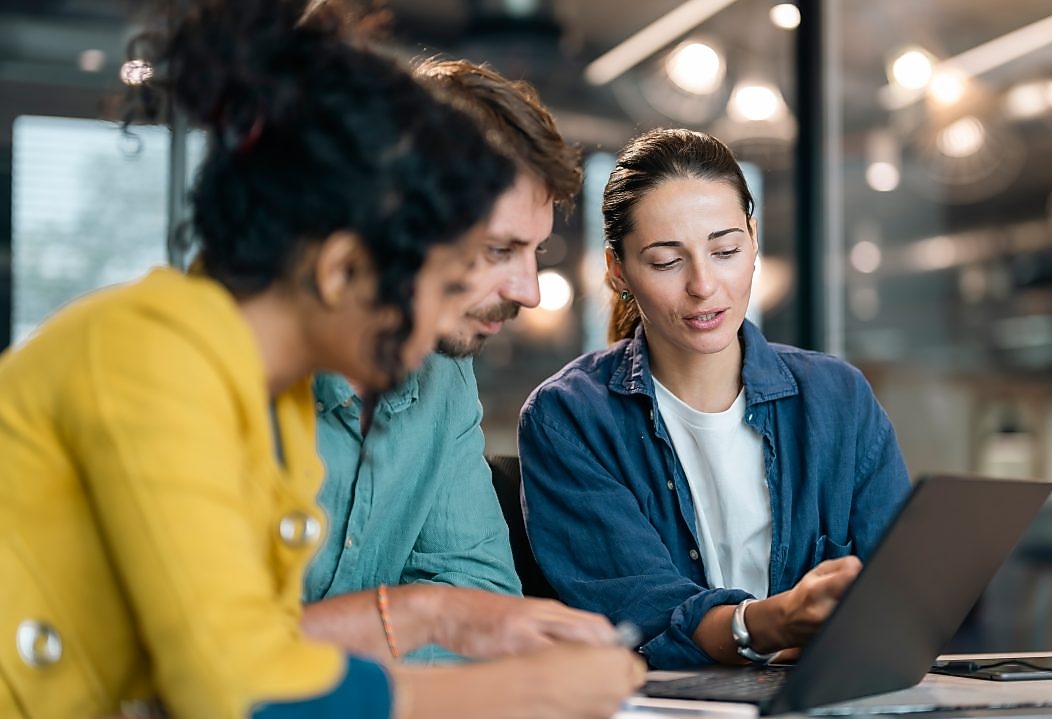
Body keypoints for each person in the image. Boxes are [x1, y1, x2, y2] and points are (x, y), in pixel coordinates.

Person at [0, 2, 640, 717]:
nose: (441, 316)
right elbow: (244, 693)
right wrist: (526, 690)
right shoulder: (150, 357)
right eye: (435, 280)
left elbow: (269, 643)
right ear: (341, 271)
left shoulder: (267, 401)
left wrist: (449, 615)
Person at [518, 128, 913, 670]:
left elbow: (900, 602)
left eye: (725, 249)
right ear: (618, 271)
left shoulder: (839, 399)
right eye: (665, 262)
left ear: (753, 241)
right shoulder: (569, 418)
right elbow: (642, 617)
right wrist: (775, 624)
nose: (704, 285)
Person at [301, 58, 604, 663]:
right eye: (499, 249)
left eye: (535, 251)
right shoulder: (222, 373)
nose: (531, 291)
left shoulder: (443, 377)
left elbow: (486, 599)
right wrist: (424, 616)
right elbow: (220, 661)